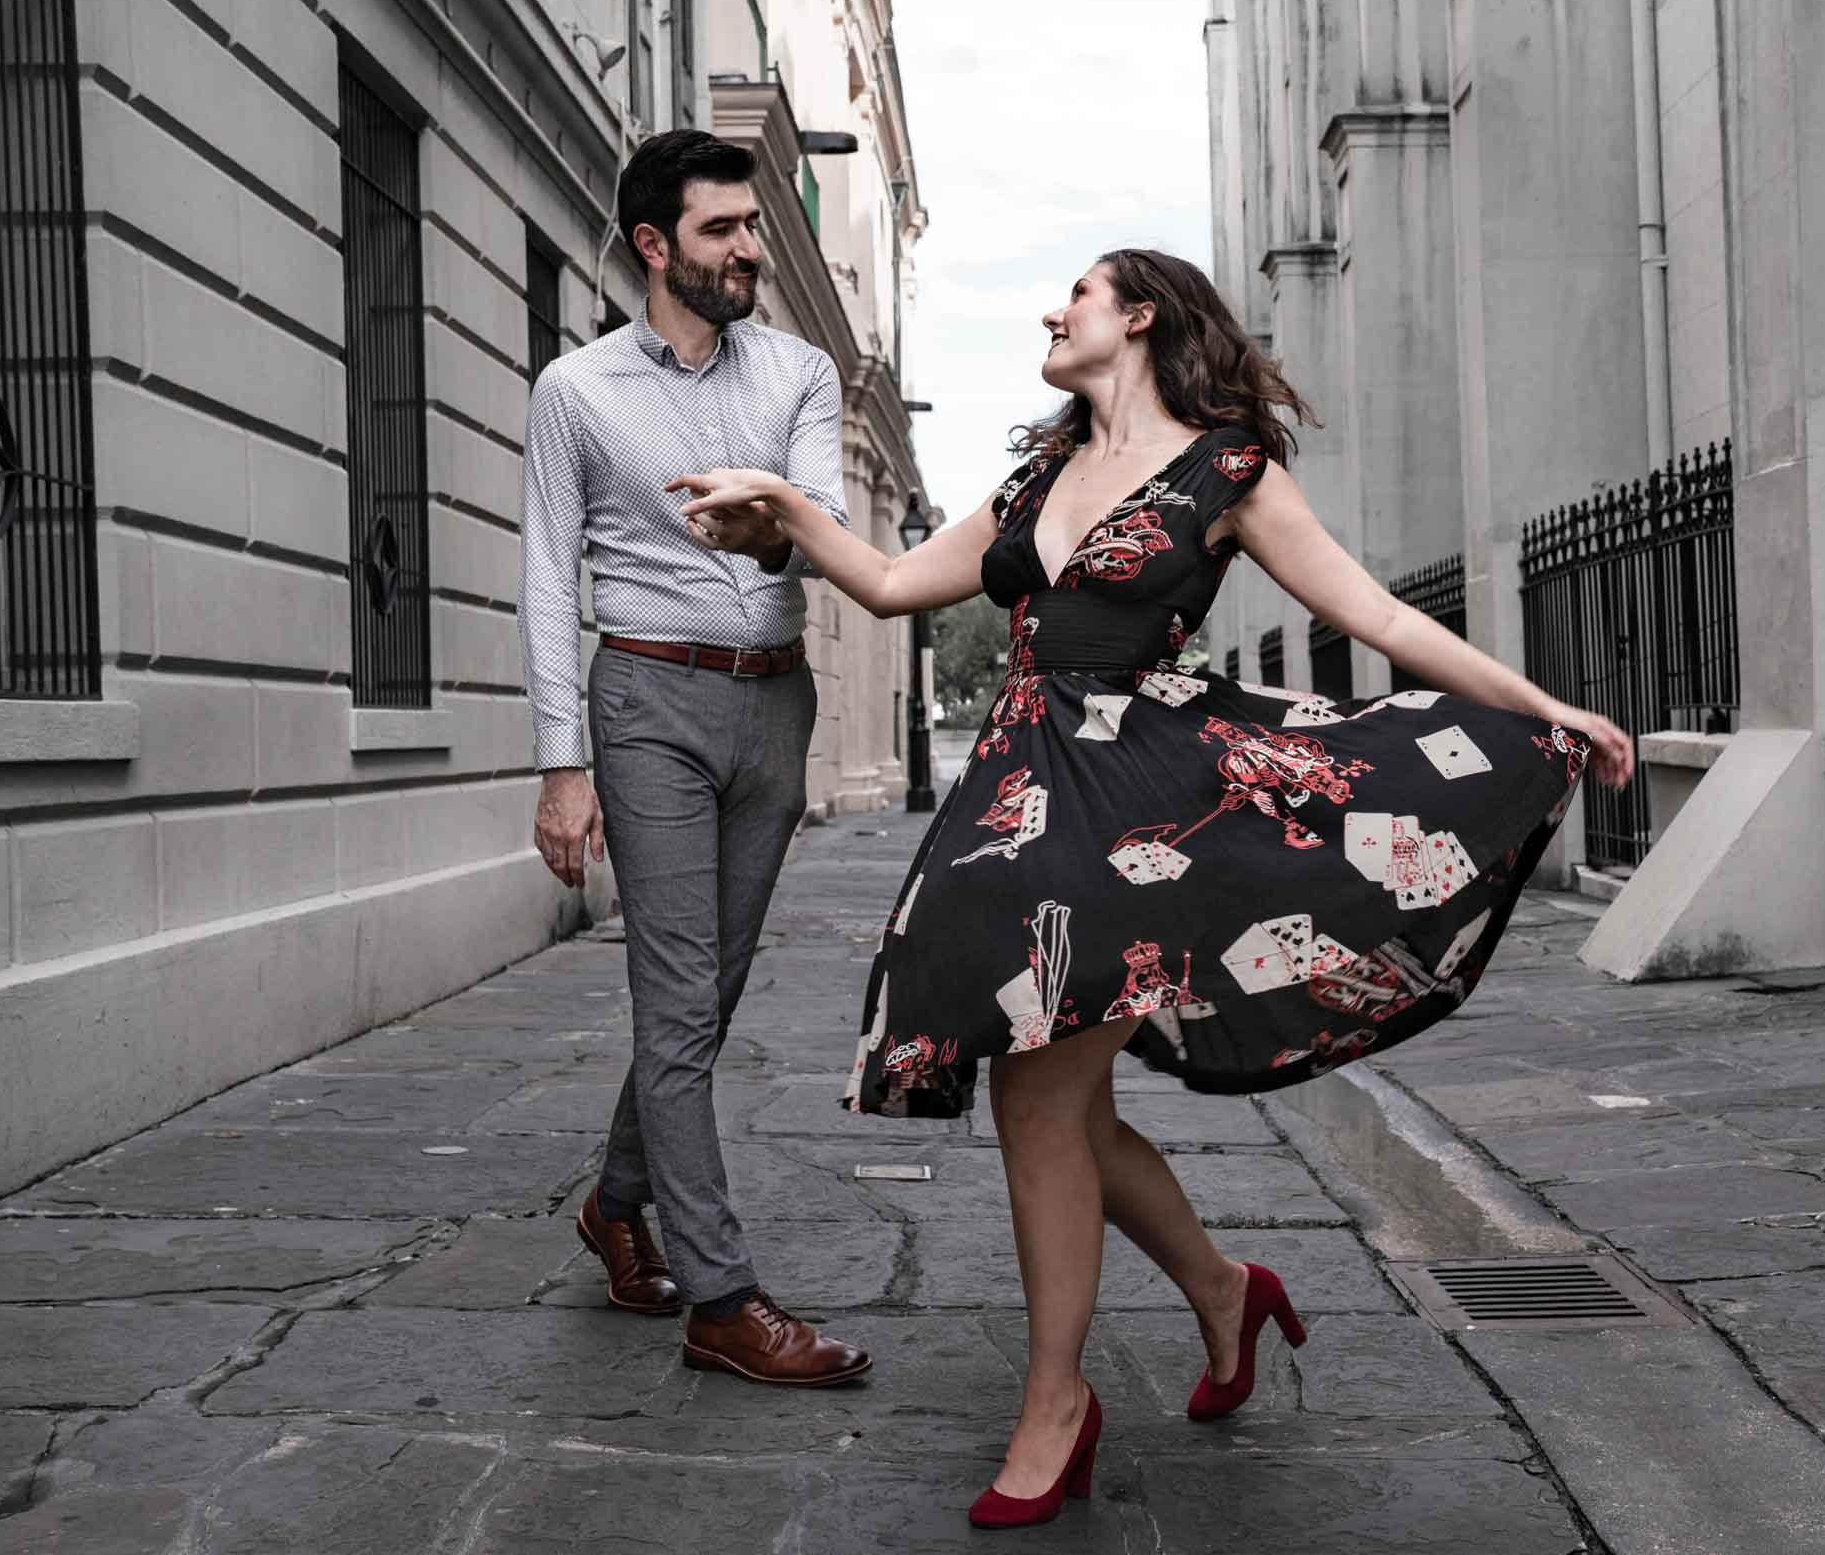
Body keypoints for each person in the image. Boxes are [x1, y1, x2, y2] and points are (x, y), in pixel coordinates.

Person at [667, 248, 1635, 1526]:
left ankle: (1056, 1399)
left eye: (1073, 293)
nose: (1049, 310)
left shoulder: (1226, 469)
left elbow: (1382, 622)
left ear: (1134, 316)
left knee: (1036, 1088)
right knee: (1067, 1106)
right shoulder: (1033, 479)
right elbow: (896, 584)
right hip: (1017, 801)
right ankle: (1228, 1294)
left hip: (1144, 818)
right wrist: (788, 514)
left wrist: (1543, 704)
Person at [519, 129, 871, 1388]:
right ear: (655, 245)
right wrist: (563, 765)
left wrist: (770, 524)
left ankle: (618, 1201)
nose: (748, 250)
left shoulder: (798, 372)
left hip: (774, 707)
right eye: (721, 230)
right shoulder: (577, 392)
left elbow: (820, 526)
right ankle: (721, 1299)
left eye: (752, 227)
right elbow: (548, 577)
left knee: (708, 999)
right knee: (674, 1002)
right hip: (647, 705)